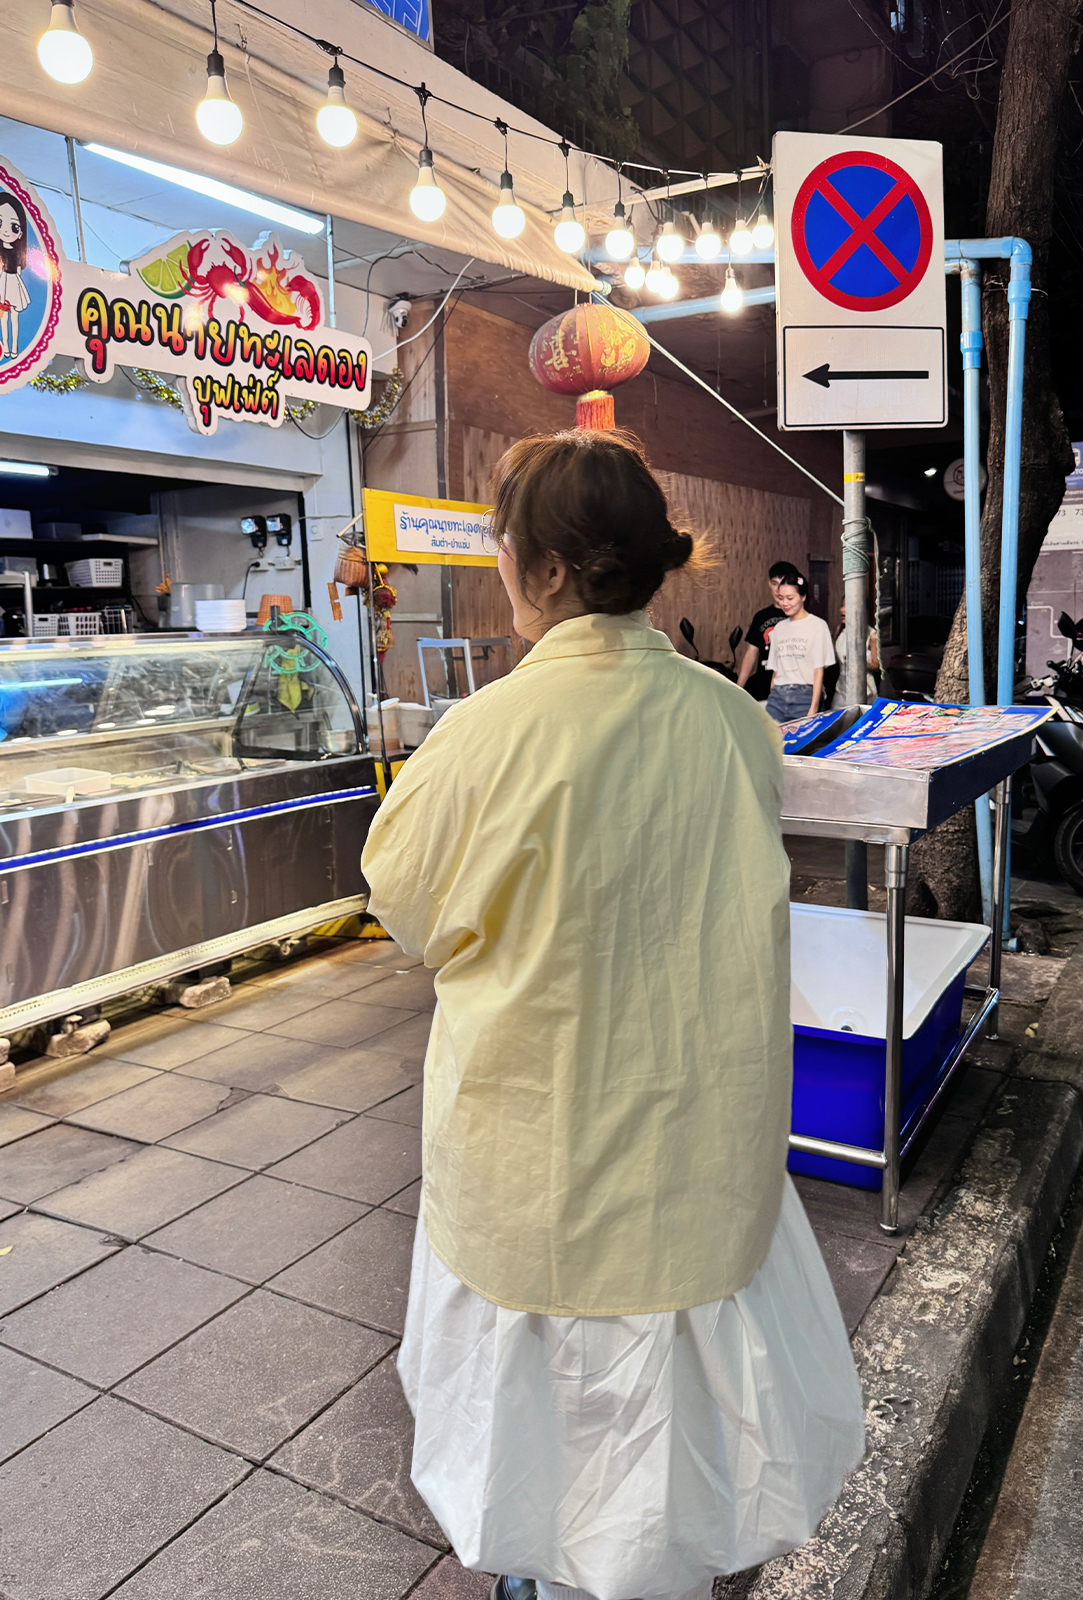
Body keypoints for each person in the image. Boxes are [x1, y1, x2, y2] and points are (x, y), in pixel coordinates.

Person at [362, 429, 863, 1600]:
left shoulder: (480, 735)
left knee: (541, 1394)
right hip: (696, 1130)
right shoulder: (736, 724)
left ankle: (546, 1572)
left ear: (542, 572)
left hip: (535, 1137)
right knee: (675, 1404)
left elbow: (410, 910)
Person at [763, 574, 837, 722]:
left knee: (804, 743)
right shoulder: (778, 628)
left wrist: (813, 710)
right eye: (781, 598)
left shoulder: (818, 626)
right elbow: (775, 672)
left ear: (803, 597)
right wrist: (772, 696)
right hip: (778, 696)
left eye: (790, 598)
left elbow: (818, 671)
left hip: (805, 696)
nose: (784, 603)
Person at [736, 560, 800, 699]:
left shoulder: (800, 616)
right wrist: (738, 688)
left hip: (792, 686)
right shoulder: (761, 617)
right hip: (763, 684)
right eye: (774, 584)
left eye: (782, 584)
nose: (778, 590)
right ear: (769, 584)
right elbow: (751, 654)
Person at [830, 602, 881, 709]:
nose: (842, 610)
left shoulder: (871, 635)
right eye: (841, 606)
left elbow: (877, 666)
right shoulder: (839, 630)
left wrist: (858, 662)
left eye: (847, 606)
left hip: (865, 690)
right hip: (841, 689)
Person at [0, 191, 31, 363]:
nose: (6, 231)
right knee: (4, 318)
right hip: (3, 283)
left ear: (20, 232)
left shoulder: (19, 253)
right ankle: (5, 347)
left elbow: (19, 271)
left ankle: (14, 348)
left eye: (13, 227)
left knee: (14, 317)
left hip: (12, 284)